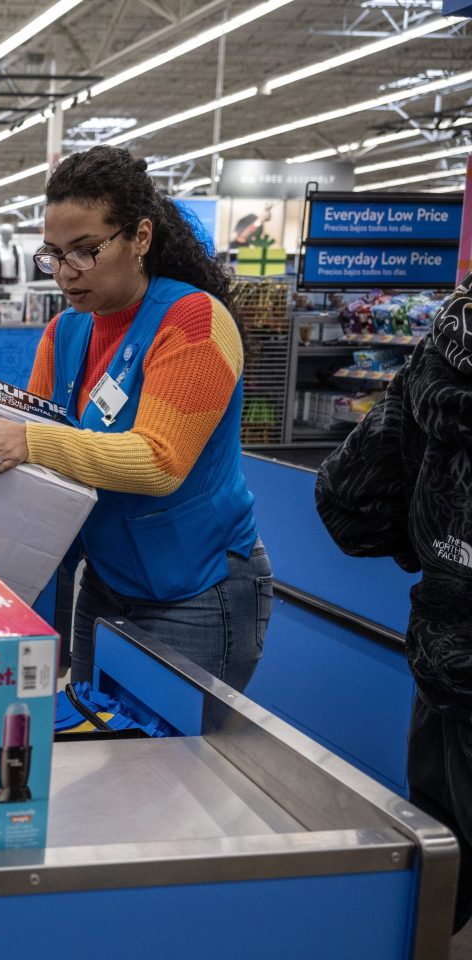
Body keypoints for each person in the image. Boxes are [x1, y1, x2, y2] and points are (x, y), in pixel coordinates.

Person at [0, 146, 271, 691]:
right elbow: (40, 467)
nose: (64, 273)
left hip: (196, 589)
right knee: (100, 741)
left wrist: (29, 442)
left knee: (174, 766)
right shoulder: (66, 332)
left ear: (140, 238)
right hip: (105, 583)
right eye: (52, 254)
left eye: (84, 251)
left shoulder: (194, 322)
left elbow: (158, 462)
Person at [315, 273, 472, 934]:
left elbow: (350, 504)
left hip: (449, 661)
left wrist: (435, 549)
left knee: (439, 889)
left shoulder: (443, 343)